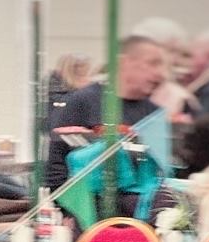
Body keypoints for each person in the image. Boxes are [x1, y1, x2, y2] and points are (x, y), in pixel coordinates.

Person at [45, 35, 166, 189]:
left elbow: (162, 171)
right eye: (152, 63)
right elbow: (56, 165)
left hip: (143, 207)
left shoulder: (154, 113)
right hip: (88, 207)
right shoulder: (83, 101)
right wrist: (65, 208)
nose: (159, 73)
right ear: (125, 63)